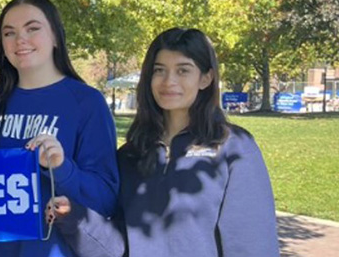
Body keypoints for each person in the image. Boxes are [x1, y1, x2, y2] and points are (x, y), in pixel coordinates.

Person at [0, 0, 122, 257]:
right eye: (9, 33)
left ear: (55, 37)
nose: (20, 40)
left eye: (32, 28)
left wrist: (62, 168)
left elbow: (105, 199)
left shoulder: (87, 103)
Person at [116, 28, 278, 256]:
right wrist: (72, 213)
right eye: (159, 70)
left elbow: (253, 245)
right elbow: (112, 240)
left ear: (205, 78)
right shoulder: (131, 154)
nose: (168, 81)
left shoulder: (233, 147)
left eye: (183, 70)